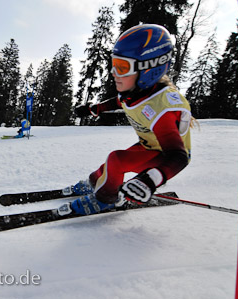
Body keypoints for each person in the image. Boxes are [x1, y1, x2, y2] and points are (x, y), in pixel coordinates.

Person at [70, 24, 192, 215]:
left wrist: (150, 179)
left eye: (122, 66)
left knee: (116, 160)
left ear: (148, 69)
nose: (113, 72)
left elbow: (179, 156)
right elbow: (118, 103)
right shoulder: (135, 93)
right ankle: (96, 181)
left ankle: (106, 199)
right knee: (109, 167)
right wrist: (93, 109)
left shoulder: (161, 109)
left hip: (165, 157)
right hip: (149, 146)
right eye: (114, 64)